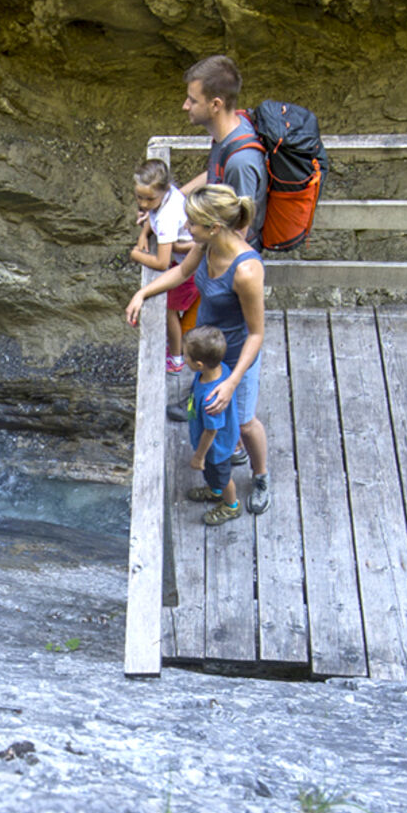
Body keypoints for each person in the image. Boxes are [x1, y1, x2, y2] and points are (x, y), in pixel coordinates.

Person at [125, 184, 270, 514]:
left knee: (245, 422)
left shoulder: (246, 270)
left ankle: (261, 475)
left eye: (192, 223)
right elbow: (181, 271)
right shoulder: (206, 245)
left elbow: (257, 334)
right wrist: (143, 294)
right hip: (206, 349)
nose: (187, 228)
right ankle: (222, 471)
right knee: (212, 414)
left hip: (235, 356)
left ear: (215, 226)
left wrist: (232, 382)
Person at [176, 55, 267, 247]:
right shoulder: (231, 131)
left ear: (216, 104)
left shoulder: (241, 162)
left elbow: (238, 235)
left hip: (230, 265)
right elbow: (216, 172)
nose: (185, 106)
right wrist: (171, 198)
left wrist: (184, 247)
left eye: (193, 101)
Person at [128, 158, 197, 374]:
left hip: (187, 269)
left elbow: (162, 262)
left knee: (170, 312)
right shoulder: (170, 196)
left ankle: (176, 358)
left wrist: (136, 255)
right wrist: (144, 233)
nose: (144, 204)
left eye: (149, 199)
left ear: (164, 190)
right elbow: (152, 214)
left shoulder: (168, 216)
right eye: (139, 197)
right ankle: (176, 349)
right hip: (186, 260)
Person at [180, 326, 241, 525]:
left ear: (199, 364)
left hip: (216, 448)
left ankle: (231, 506)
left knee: (223, 477)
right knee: (214, 476)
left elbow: (211, 429)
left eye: (185, 356)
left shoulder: (211, 399)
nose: (183, 358)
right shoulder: (220, 369)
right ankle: (215, 491)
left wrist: (199, 456)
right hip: (219, 439)